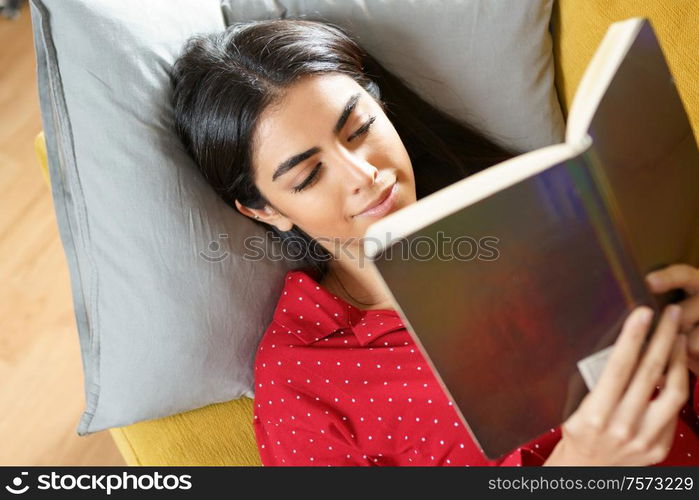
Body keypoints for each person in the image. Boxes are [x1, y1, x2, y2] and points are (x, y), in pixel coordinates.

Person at [169, 18, 699, 466]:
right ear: (263, 209)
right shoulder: (303, 379)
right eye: (308, 176)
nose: (363, 174)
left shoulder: (542, 218)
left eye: (359, 129)